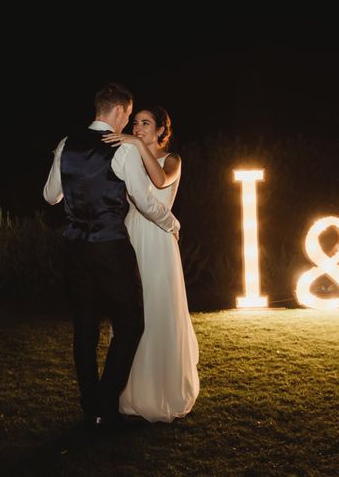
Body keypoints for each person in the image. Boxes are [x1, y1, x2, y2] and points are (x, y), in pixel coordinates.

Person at [43, 84, 180, 429]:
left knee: (85, 327)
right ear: (120, 111)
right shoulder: (121, 150)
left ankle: (92, 406)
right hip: (111, 247)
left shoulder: (65, 144)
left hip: (75, 248)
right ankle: (106, 401)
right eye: (130, 117)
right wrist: (171, 221)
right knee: (131, 323)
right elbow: (146, 202)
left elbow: (50, 196)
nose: (130, 124)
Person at [102, 106, 199, 422]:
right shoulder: (129, 155)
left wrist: (133, 142)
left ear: (160, 130)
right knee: (129, 310)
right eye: (135, 122)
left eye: (145, 123)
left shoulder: (172, 160)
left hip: (159, 238)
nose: (137, 127)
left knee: (158, 308)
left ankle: (162, 390)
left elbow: (159, 182)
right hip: (130, 235)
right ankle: (129, 390)